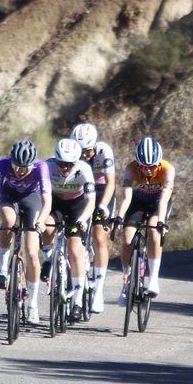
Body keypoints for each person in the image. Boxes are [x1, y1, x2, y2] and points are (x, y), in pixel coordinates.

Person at [0, 139, 51, 324]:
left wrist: (40, 221)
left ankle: (33, 304)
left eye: (25, 169)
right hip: (10, 196)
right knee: (7, 220)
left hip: (33, 198)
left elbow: (47, 201)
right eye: (16, 167)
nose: (20, 172)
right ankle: (2, 269)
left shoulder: (41, 167)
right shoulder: (3, 164)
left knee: (32, 253)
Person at [41, 137, 95, 319]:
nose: (64, 168)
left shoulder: (84, 169)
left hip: (76, 207)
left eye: (69, 165)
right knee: (48, 228)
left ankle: (78, 302)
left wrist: (83, 219)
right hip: (55, 204)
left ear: (76, 162)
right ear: (55, 160)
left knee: (74, 250)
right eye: (61, 164)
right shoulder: (47, 167)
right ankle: (48, 260)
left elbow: (91, 201)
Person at [117, 135, 174, 302]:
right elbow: (127, 197)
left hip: (158, 202)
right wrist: (119, 217)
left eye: (152, 167)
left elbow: (164, 199)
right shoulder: (130, 169)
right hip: (139, 200)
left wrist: (161, 222)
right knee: (127, 239)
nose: (148, 171)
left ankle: (153, 280)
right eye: (144, 167)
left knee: (154, 233)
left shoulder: (167, 169)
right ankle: (127, 282)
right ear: (138, 164)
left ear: (159, 162)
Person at [71, 122, 116, 314]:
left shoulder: (104, 151)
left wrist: (103, 206)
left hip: (102, 191)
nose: (84, 155)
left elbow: (111, 183)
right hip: (83, 193)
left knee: (99, 237)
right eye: (80, 151)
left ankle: (98, 289)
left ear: (94, 146)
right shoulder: (72, 153)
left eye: (87, 151)